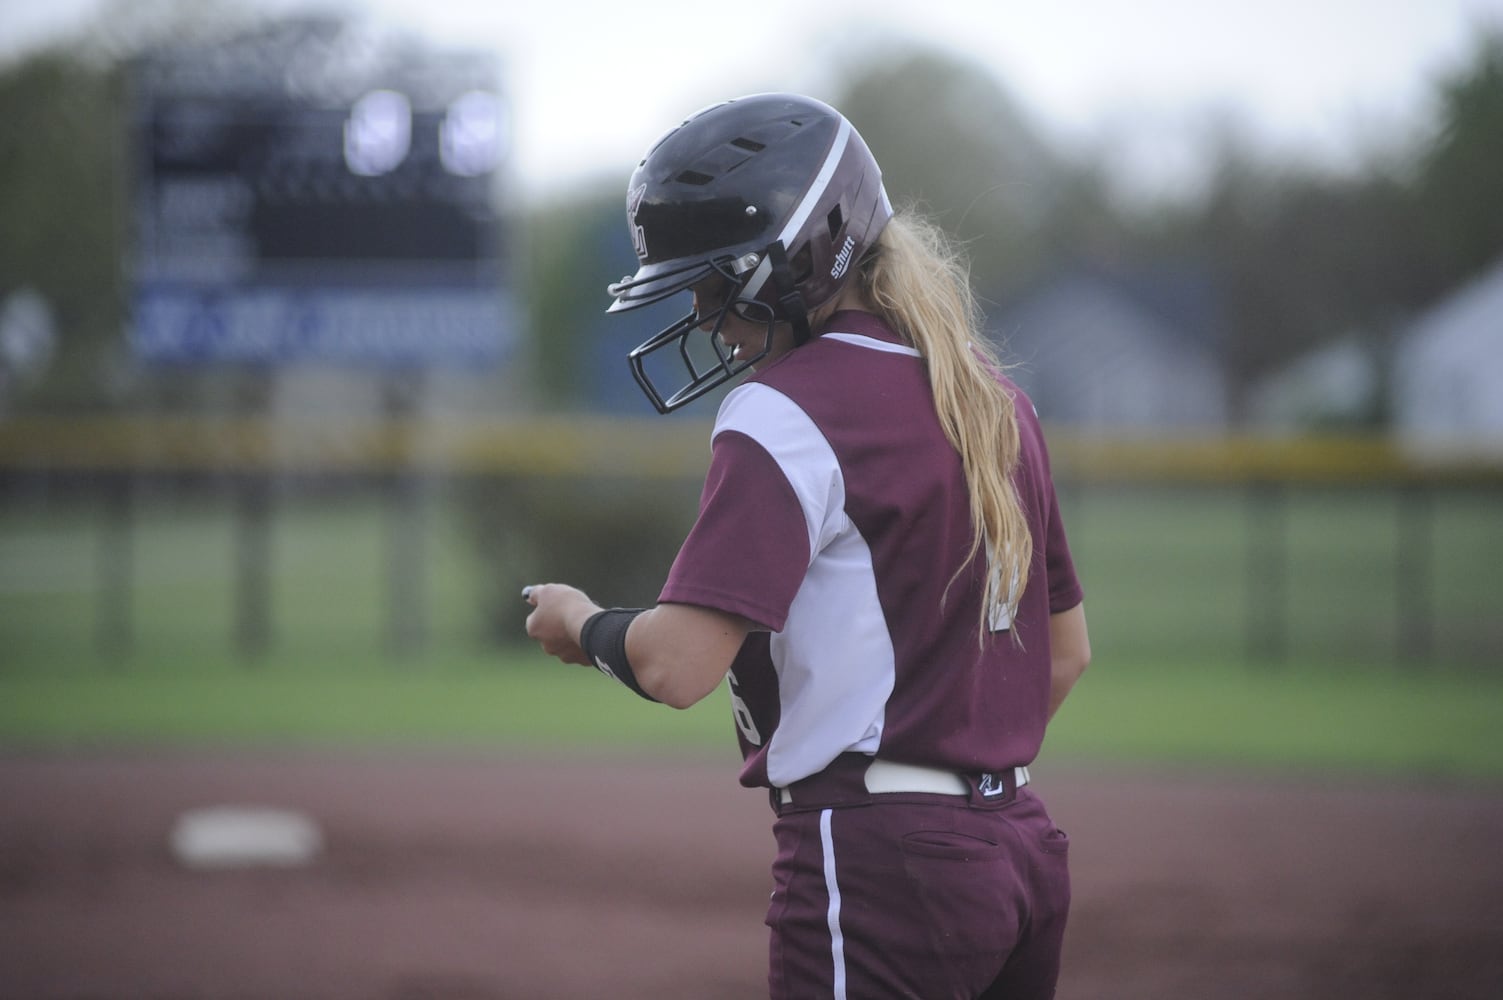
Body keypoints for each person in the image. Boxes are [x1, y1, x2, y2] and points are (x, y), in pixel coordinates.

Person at [524, 92, 1090, 1000]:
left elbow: (677, 666)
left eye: (718, 279)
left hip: (878, 858)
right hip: (1018, 845)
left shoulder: (785, 407)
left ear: (800, 256)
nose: (706, 312)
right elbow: (1064, 655)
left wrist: (582, 623)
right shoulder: (993, 400)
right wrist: (958, 777)